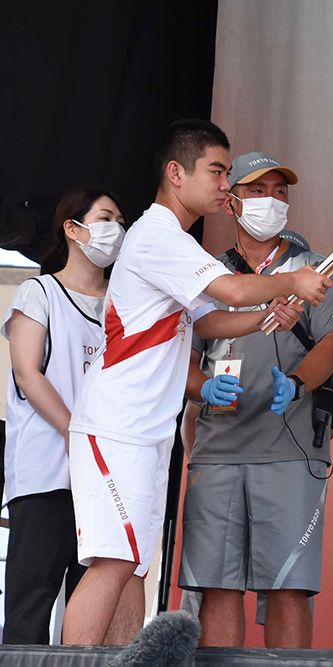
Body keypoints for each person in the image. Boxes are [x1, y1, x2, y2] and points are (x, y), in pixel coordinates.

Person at [61, 119, 333, 646]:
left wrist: (266, 313)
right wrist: (292, 280)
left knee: (135, 567)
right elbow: (230, 290)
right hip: (116, 424)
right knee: (113, 564)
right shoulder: (158, 235)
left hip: (147, 431)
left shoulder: (177, 243)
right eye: (216, 170)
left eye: (228, 172)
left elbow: (207, 320)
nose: (225, 183)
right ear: (175, 172)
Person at [178, 151, 333, 648]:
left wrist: (298, 382)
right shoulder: (206, 275)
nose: (272, 201)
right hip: (218, 451)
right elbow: (181, 355)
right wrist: (201, 389)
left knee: (289, 587)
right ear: (232, 200)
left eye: (281, 193)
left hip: (292, 452)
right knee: (216, 585)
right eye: (259, 191)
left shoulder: (315, 269)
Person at [2, 186, 132, 644]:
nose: (115, 228)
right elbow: (26, 373)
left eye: (120, 219)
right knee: (31, 601)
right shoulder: (40, 292)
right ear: (73, 229)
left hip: (104, 482)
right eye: (105, 217)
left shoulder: (127, 306)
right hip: (47, 476)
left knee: (89, 610)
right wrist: (75, 433)